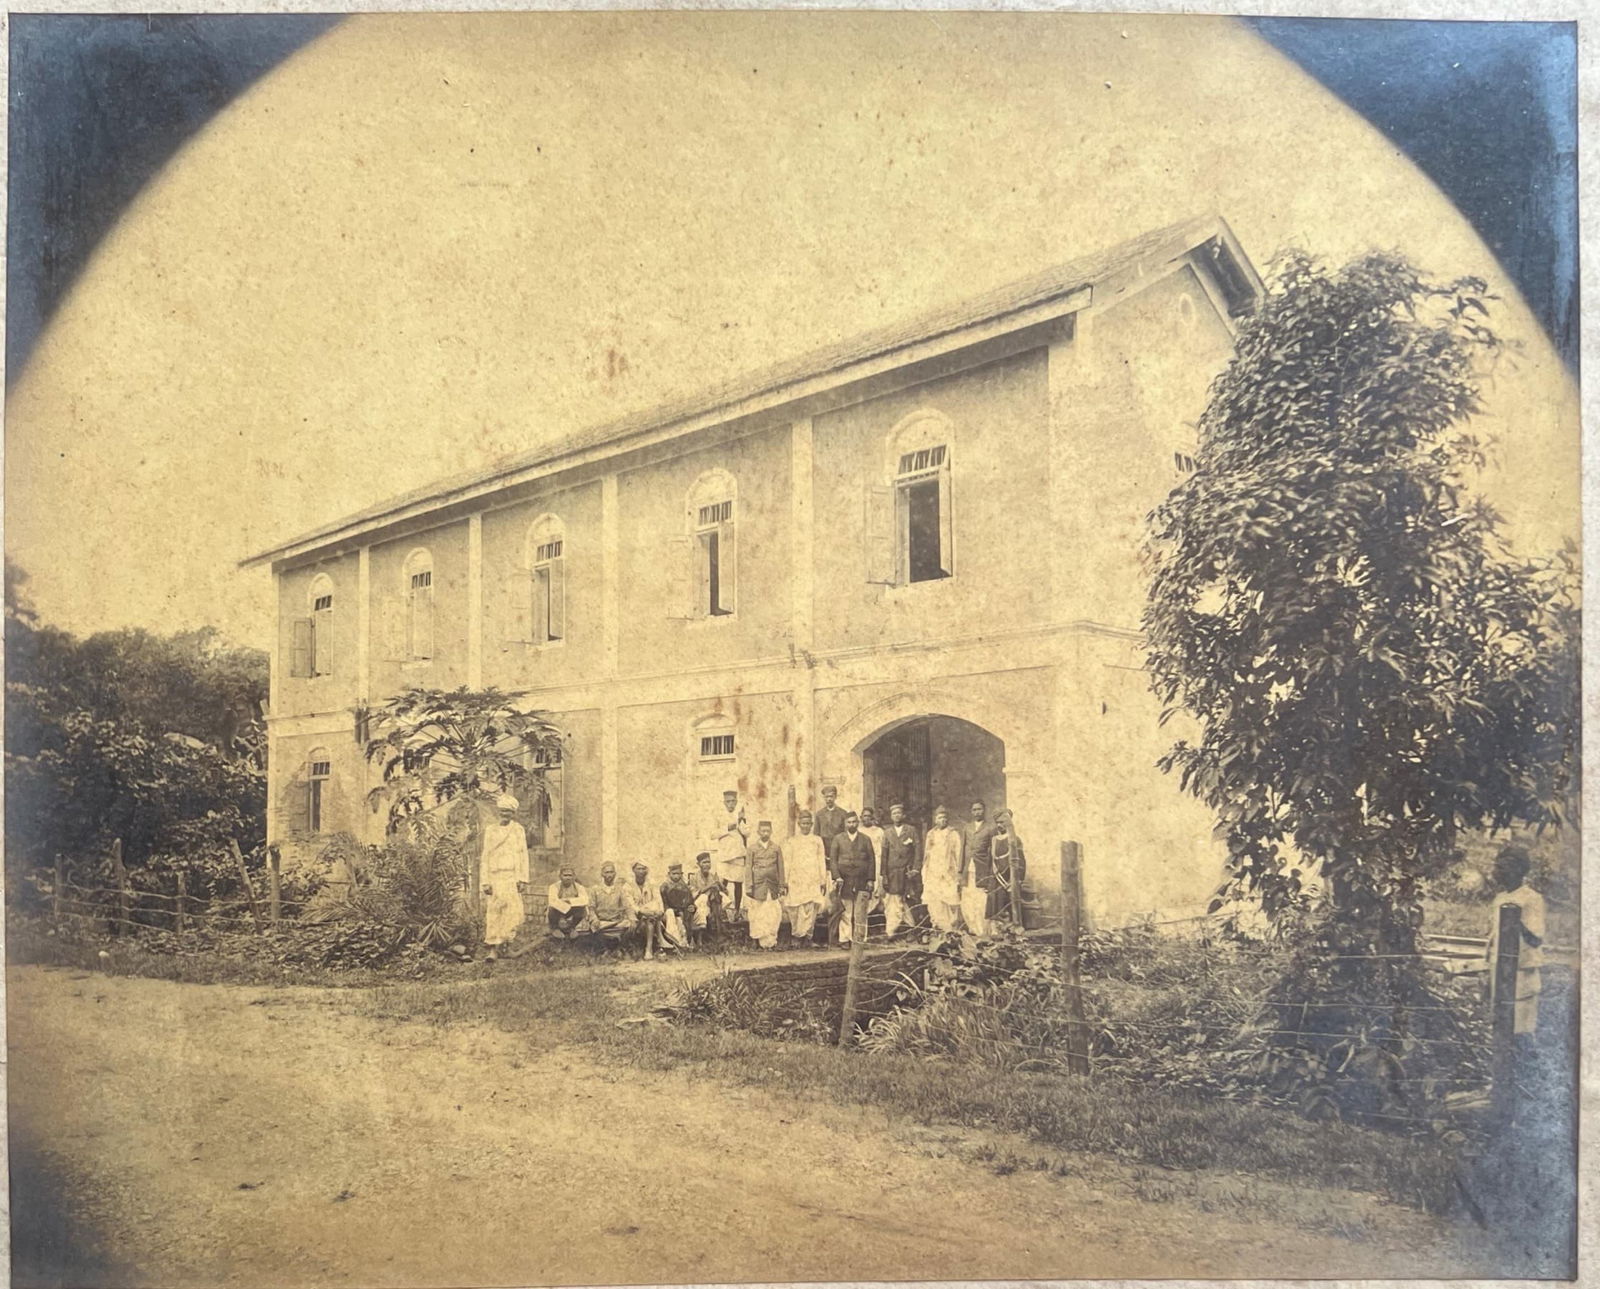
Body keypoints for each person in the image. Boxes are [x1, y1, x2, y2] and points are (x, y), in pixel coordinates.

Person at [1486, 844, 1547, 1045]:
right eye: (1497, 867)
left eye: (1502, 868)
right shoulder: (1500, 899)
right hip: (1500, 972)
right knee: (1500, 1026)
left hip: (1521, 973)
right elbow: (1495, 939)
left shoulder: (1532, 899)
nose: (1497, 872)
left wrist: (1515, 921)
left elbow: (1536, 939)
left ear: (1518, 870)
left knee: (1521, 1029)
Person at [480, 793, 530, 962]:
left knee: (512, 913)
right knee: (494, 912)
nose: (504, 814)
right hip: (495, 876)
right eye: (502, 811)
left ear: (513, 813)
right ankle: (492, 950)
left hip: (511, 876)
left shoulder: (518, 830)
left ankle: (507, 947)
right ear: (498, 812)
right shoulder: (490, 830)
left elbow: (523, 855)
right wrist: (485, 881)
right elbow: (485, 856)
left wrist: (523, 879)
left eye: (508, 811)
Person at [780, 811, 829, 947]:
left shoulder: (817, 840)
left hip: (812, 878)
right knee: (795, 907)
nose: (806, 826)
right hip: (796, 878)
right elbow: (787, 861)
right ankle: (796, 935)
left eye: (808, 823)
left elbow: (821, 860)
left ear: (811, 824)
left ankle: (808, 936)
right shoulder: (792, 841)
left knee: (811, 908)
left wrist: (823, 880)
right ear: (799, 824)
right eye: (803, 823)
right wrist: (785, 881)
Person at [829, 811, 877, 946]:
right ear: (845, 824)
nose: (852, 824)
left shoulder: (865, 839)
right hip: (844, 880)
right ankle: (845, 939)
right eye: (849, 822)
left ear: (858, 823)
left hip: (861, 879)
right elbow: (833, 860)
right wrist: (837, 877)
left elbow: (871, 860)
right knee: (846, 910)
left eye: (854, 822)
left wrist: (870, 879)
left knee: (861, 910)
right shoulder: (838, 839)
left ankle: (860, 938)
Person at [814, 785, 851, 946]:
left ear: (835, 796)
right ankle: (823, 937)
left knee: (839, 898)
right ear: (824, 798)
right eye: (826, 796)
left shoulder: (842, 814)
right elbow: (816, 838)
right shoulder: (819, 815)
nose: (829, 799)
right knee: (825, 898)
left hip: (839, 859)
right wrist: (821, 855)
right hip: (824, 859)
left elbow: (844, 837)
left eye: (831, 796)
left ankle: (840, 936)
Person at [921, 805, 965, 932]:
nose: (943, 820)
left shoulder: (953, 834)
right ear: (935, 819)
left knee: (950, 898)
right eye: (940, 818)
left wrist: (958, 871)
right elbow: (927, 854)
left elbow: (958, 853)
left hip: (948, 871)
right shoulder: (931, 834)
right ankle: (938, 926)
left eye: (945, 818)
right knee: (934, 899)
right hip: (933, 871)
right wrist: (926, 870)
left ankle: (951, 927)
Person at [881, 803, 920, 938]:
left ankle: (911, 929)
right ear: (891, 817)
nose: (897, 816)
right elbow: (884, 855)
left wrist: (915, 869)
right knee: (893, 901)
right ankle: (891, 930)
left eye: (899, 813)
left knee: (907, 899)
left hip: (907, 872)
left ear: (903, 815)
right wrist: (884, 874)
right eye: (894, 814)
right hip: (892, 872)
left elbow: (918, 851)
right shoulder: (887, 833)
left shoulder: (911, 830)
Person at [744, 820, 785, 949]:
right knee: (756, 913)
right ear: (758, 832)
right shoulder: (752, 848)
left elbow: (780, 868)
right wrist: (749, 886)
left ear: (771, 832)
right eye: (763, 831)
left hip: (772, 886)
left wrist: (781, 885)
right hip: (758, 885)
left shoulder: (776, 848)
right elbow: (748, 868)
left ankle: (770, 942)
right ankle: (756, 939)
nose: (765, 833)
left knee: (772, 913)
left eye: (768, 831)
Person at [711, 789, 750, 922]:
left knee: (738, 884)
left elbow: (747, 833)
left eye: (733, 801)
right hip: (724, 856)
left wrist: (741, 820)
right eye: (728, 801)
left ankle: (737, 911)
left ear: (736, 802)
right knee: (723, 884)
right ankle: (721, 911)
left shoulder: (740, 815)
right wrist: (728, 828)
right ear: (724, 802)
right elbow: (712, 834)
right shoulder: (719, 816)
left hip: (738, 855)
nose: (731, 804)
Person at [961, 799, 997, 935]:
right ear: (971, 812)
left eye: (979, 809)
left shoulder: (990, 828)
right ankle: (972, 927)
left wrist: (991, 870)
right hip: (968, 868)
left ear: (984, 810)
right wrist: (960, 870)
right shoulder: (967, 828)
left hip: (982, 868)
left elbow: (993, 850)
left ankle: (982, 929)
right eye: (974, 810)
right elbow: (962, 849)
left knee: (981, 898)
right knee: (968, 897)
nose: (977, 812)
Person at [988, 809, 1027, 926]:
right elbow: (991, 860)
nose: (999, 825)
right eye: (997, 823)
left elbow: (1021, 861)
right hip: (997, 878)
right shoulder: (994, 840)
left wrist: (1019, 879)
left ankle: (1013, 928)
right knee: (996, 906)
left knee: (1010, 905)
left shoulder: (1015, 839)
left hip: (1010, 878)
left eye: (1002, 822)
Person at [625, 861, 668, 960]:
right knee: (649, 913)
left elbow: (658, 899)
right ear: (633, 870)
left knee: (651, 915)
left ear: (646, 871)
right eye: (638, 869)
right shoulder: (628, 886)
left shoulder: (652, 883)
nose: (641, 871)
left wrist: (660, 911)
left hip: (651, 915)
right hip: (635, 915)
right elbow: (630, 904)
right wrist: (641, 911)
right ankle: (659, 941)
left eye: (643, 869)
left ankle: (649, 949)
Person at [587, 861, 632, 946]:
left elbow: (627, 906)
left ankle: (619, 947)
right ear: (602, 874)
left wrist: (632, 919)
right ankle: (604, 948)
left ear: (615, 874)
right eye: (607, 872)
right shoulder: (595, 889)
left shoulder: (620, 889)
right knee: (594, 926)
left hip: (616, 921)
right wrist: (594, 919)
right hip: (601, 922)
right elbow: (591, 908)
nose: (609, 875)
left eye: (611, 872)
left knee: (630, 924)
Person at [686, 851, 725, 947]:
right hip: (698, 903)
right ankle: (700, 939)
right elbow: (694, 895)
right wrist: (710, 886)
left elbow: (724, 892)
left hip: (712, 903)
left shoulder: (713, 876)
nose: (707, 865)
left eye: (708, 862)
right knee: (704, 900)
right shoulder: (694, 877)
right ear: (698, 864)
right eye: (704, 862)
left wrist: (720, 884)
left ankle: (718, 935)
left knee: (717, 898)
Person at [546, 865, 589, 939]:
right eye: (565, 875)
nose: (568, 878)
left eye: (570, 875)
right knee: (551, 908)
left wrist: (569, 901)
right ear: (560, 876)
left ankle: (572, 928)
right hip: (558, 911)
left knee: (582, 909)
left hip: (571, 910)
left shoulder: (579, 887)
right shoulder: (554, 886)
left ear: (574, 877)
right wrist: (563, 911)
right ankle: (555, 928)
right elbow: (552, 901)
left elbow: (585, 900)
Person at [660, 862, 696, 951]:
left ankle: (686, 942)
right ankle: (675, 942)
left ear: (681, 874)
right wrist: (677, 911)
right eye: (674, 874)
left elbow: (690, 902)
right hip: (669, 914)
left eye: (678, 874)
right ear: (669, 874)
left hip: (683, 913)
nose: (676, 876)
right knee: (673, 916)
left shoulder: (685, 887)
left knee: (685, 919)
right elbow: (664, 904)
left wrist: (692, 907)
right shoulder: (664, 887)